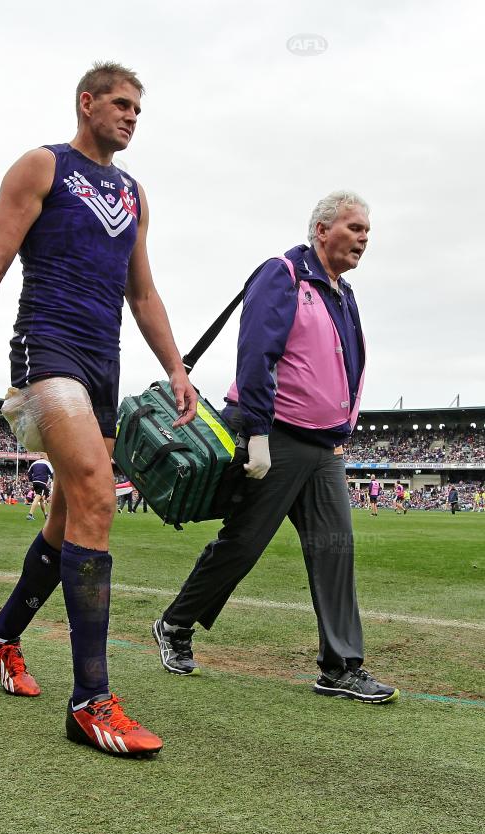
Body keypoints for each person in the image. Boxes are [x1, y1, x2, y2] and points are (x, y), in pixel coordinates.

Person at [0, 61, 196, 757]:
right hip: (45, 351)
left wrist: (176, 368)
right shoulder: (42, 165)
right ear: (87, 103)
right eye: (121, 104)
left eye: (138, 109)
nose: (132, 117)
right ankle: (90, 701)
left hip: (103, 368)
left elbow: (142, 293)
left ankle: (0, 637)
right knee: (96, 495)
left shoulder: (134, 193)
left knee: (66, 518)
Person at [152, 190, 399, 704]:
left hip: (323, 447)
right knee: (244, 544)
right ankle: (175, 624)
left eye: (367, 231)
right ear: (322, 230)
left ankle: (340, 667)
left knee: (335, 549)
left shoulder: (343, 294)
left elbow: (346, 367)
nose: (363, 238)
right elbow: (255, 352)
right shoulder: (283, 274)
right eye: (354, 228)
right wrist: (259, 432)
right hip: (277, 434)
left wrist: (341, 432)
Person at [26, 455, 53, 521]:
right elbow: (52, 473)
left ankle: (46, 515)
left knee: (41, 499)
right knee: (38, 497)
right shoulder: (47, 463)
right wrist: (53, 480)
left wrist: (31, 480)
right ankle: (30, 514)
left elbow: (29, 473)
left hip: (35, 482)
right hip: (42, 482)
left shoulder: (34, 463)